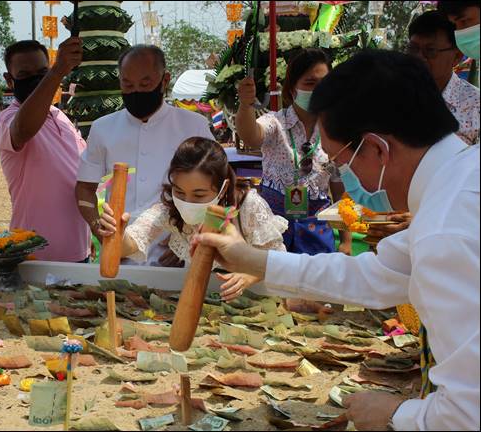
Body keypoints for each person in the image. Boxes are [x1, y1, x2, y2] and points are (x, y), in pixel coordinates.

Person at [193, 50, 479, 431]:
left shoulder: (446, 230)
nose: (343, 176)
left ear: (377, 149)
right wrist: (252, 261)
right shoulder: (459, 181)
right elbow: (377, 274)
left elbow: (467, 415)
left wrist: (394, 415)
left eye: (340, 161)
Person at [97, 137, 287, 301]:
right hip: (199, 300)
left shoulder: (248, 206)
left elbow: (277, 259)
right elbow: (132, 243)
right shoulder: (169, 210)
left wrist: (248, 276)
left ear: (222, 188)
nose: (187, 201)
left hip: (253, 302)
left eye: (199, 195)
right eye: (179, 192)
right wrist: (117, 234)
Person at [75, 45, 214, 267]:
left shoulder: (193, 125)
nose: (136, 91)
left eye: (145, 84)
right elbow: (84, 187)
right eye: (128, 85)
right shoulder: (103, 128)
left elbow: (216, 189)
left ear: (164, 80)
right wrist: (98, 227)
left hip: (178, 259)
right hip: (121, 256)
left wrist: (186, 238)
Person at [235, 48, 353, 255]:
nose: (318, 91)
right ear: (292, 89)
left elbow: (340, 191)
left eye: (323, 84)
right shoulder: (275, 122)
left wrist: (346, 241)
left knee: (314, 285)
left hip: (316, 231)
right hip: (272, 228)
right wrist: (245, 106)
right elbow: (251, 136)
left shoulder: (335, 130)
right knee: (271, 285)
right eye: (310, 83)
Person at [0, 38, 89, 262]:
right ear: (10, 80)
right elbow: (23, 130)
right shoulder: (6, 119)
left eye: (42, 72)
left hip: (79, 251)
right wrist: (55, 73)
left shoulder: (60, 116)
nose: (38, 79)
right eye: (25, 75)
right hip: (35, 256)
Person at [407, 10, 479, 145]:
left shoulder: (476, 106)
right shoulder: (393, 95)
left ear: (456, 57)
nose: (419, 58)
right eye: (413, 49)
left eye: (430, 51)